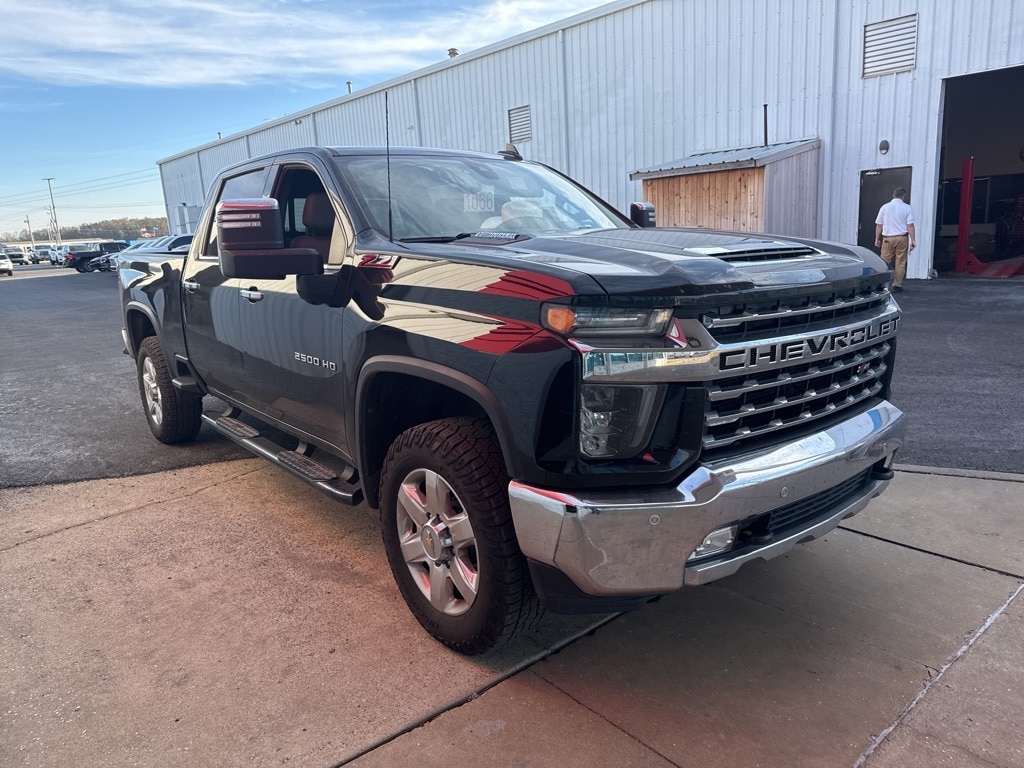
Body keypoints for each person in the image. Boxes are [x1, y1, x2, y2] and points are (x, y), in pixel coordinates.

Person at [874, 187, 916, 293]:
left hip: (887, 238)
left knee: (884, 261)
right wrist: (913, 240)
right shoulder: (907, 208)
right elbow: (910, 225)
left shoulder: (884, 207)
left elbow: (879, 225)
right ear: (903, 196)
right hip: (902, 238)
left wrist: (877, 239)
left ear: (893, 195)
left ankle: (881, 284)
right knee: (900, 262)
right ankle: (897, 285)